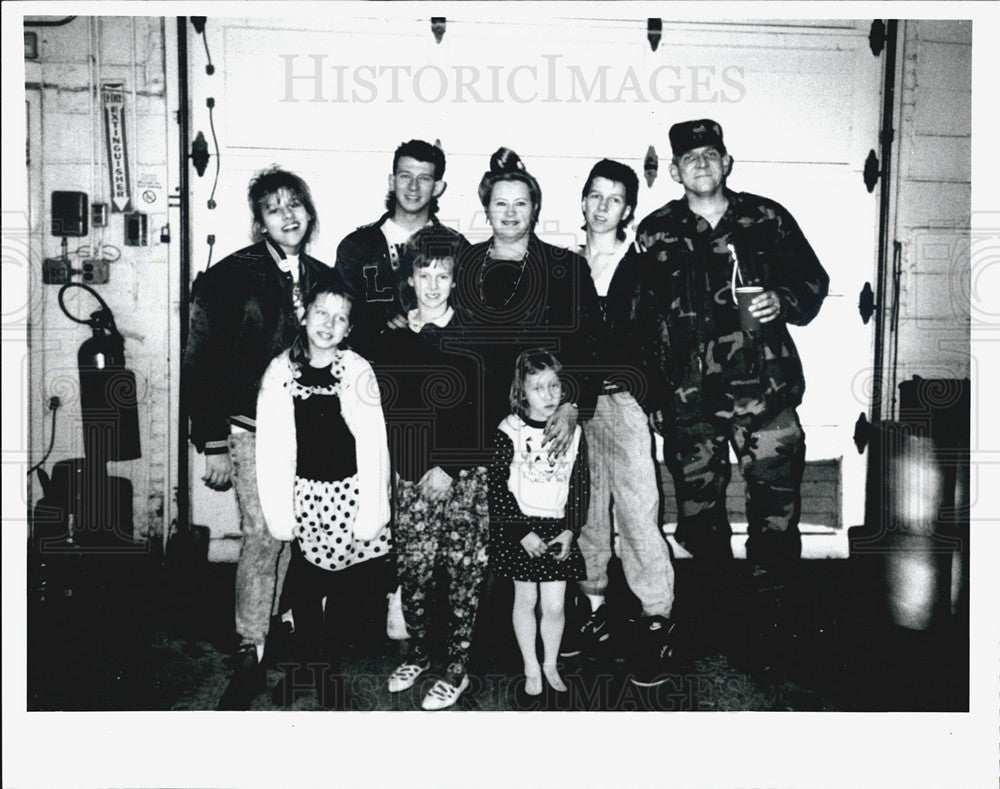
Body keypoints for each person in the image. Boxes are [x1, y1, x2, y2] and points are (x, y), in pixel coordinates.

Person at [611, 119, 829, 667]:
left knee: (775, 512)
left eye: (711, 154)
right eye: (690, 158)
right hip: (691, 403)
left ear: (727, 162)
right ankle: (711, 616)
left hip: (767, 396)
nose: (701, 164)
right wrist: (652, 394)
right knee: (701, 517)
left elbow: (813, 282)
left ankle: (773, 621)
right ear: (675, 169)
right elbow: (636, 321)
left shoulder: (767, 218)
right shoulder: (654, 233)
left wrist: (783, 299)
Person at [182, 166, 332, 709]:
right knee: (263, 534)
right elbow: (200, 362)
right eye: (275, 208)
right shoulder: (229, 277)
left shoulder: (323, 276)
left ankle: (277, 627)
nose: (288, 215)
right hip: (247, 430)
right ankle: (250, 644)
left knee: (292, 532)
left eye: (296, 204)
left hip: (306, 431)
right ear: (259, 222)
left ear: (309, 213)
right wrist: (212, 441)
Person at [335, 139, 466, 639]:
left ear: (440, 186)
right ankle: (379, 592)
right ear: (391, 179)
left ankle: (418, 602)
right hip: (370, 392)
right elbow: (340, 320)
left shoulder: (455, 246)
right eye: (404, 175)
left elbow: (466, 324)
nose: (414, 186)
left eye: (425, 176)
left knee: (426, 495)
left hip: (430, 397)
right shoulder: (357, 246)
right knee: (376, 493)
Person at [255, 275, 391, 709]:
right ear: (304, 315)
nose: (328, 324)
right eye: (321, 313)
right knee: (306, 589)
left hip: (349, 497)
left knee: (343, 594)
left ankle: (328, 669)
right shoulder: (281, 371)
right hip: (306, 497)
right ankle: (303, 668)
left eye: (340, 318)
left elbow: (374, 442)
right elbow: (272, 447)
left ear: (349, 328)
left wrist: (372, 506)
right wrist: (281, 508)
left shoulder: (356, 370)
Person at [374, 226, 490, 711]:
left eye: (444, 275)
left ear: (456, 280)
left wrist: (450, 466)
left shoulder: (474, 335)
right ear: (410, 277)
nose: (434, 284)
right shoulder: (392, 338)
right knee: (416, 574)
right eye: (425, 274)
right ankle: (420, 653)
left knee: (463, 575)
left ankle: (458, 669)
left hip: (464, 479)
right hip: (411, 478)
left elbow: (484, 412)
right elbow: (392, 411)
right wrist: (413, 468)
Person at [571, 159, 677, 687]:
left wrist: (648, 395)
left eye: (614, 198)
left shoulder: (641, 266)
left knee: (638, 510)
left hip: (624, 404)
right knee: (587, 509)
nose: (603, 206)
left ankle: (656, 616)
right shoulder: (566, 265)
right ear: (583, 201)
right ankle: (591, 609)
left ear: (628, 210)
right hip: (577, 407)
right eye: (595, 195)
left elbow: (658, 338)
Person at [487, 350, 588, 696]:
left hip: (557, 528)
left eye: (554, 386)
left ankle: (550, 663)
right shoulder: (508, 430)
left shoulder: (573, 433)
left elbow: (580, 484)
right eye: (537, 388)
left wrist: (571, 530)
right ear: (521, 393)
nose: (548, 395)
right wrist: (521, 532)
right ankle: (531, 665)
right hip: (523, 530)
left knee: (556, 605)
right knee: (525, 601)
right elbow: (496, 489)